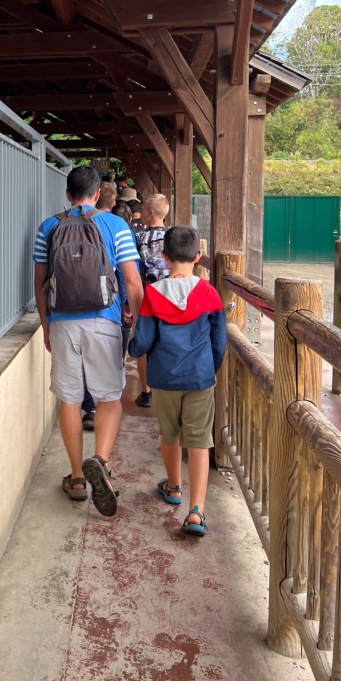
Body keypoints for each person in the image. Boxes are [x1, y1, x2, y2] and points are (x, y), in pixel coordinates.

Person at [33, 166, 143, 517]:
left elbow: (40, 282)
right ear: (97, 194)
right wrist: (139, 322)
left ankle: (78, 478)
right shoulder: (116, 226)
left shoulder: (48, 227)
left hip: (62, 322)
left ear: (67, 194)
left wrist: (46, 326)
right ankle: (102, 461)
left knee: (69, 398)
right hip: (104, 321)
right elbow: (132, 281)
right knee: (109, 396)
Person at [127, 225, 226, 536]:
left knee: (169, 433)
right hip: (199, 377)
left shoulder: (153, 294)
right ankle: (196, 512)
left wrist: (132, 348)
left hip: (164, 377)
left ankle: (173, 486)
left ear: (164, 256)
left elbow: (144, 340)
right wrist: (210, 368)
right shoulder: (209, 293)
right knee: (198, 441)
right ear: (198, 256)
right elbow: (218, 342)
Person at [134, 193, 170, 407]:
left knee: (143, 341)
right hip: (170, 297)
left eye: (143, 211)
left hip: (146, 295)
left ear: (150, 212)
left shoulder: (140, 237)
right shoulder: (173, 236)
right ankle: (166, 388)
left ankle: (146, 392)